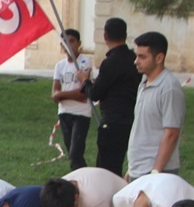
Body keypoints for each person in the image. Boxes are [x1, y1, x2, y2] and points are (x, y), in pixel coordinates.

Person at [126, 31, 183, 179]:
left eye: (142, 57)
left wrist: (156, 172)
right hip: (138, 167)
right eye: (136, 55)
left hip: (156, 170)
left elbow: (171, 133)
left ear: (159, 58)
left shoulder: (169, 87)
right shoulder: (144, 82)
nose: (136, 61)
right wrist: (131, 168)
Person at [87, 17, 139, 175]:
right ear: (125, 35)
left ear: (105, 36)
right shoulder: (134, 59)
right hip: (133, 119)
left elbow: (95, 93)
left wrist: (85, 82)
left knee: (107, 167)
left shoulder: (111, 62)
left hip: (113, 120)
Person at [51, 28, 93, 171]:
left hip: (81, 114)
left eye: (72, 41)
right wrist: (61, 95)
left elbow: (83, 94)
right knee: (72, 153)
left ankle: (83, 177)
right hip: (64, 112)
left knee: (76, 152)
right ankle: (78, 176)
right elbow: (54, 94)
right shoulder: (60, 66)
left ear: (79, 43)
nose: (69, 45)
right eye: (65, 42)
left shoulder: (85, 62)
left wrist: (62, 94)